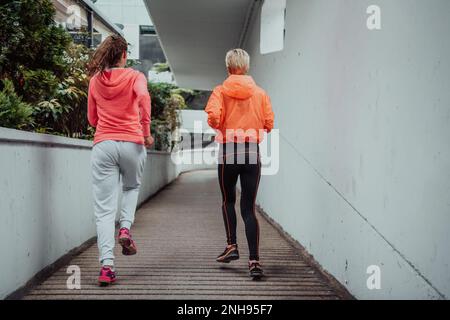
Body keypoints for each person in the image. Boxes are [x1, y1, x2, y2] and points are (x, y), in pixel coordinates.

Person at [87, 35, 154, 286]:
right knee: (131, 187)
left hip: (103, 144)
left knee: (104, 211)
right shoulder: (136, 77)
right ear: (124, 55)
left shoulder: (95, 81)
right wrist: (146, 132)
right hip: (132, 143)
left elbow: (92, 120)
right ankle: (125, 228)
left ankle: (107, 267)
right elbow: (144, 99)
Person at [205, 49, 274, 279]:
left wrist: (222, 121)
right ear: (246, 66)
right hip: (251, 153)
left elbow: (214, 118)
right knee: (248, 208)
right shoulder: (261, 93)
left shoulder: (220, 91)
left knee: (228, 201)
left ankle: (231, 245)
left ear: (228, 67)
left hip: (229, 152)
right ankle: (254, 262)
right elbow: (269, 123)